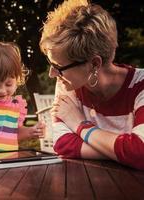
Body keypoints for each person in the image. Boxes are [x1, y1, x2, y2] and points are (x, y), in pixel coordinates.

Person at [39, 0, 144, 170]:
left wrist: (80, 125)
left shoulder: (141, 85)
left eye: (58, 67)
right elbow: (62, 144)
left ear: (94, 64)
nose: (52, 74)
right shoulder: (67, 85)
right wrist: (122, 150)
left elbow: (140, 152)